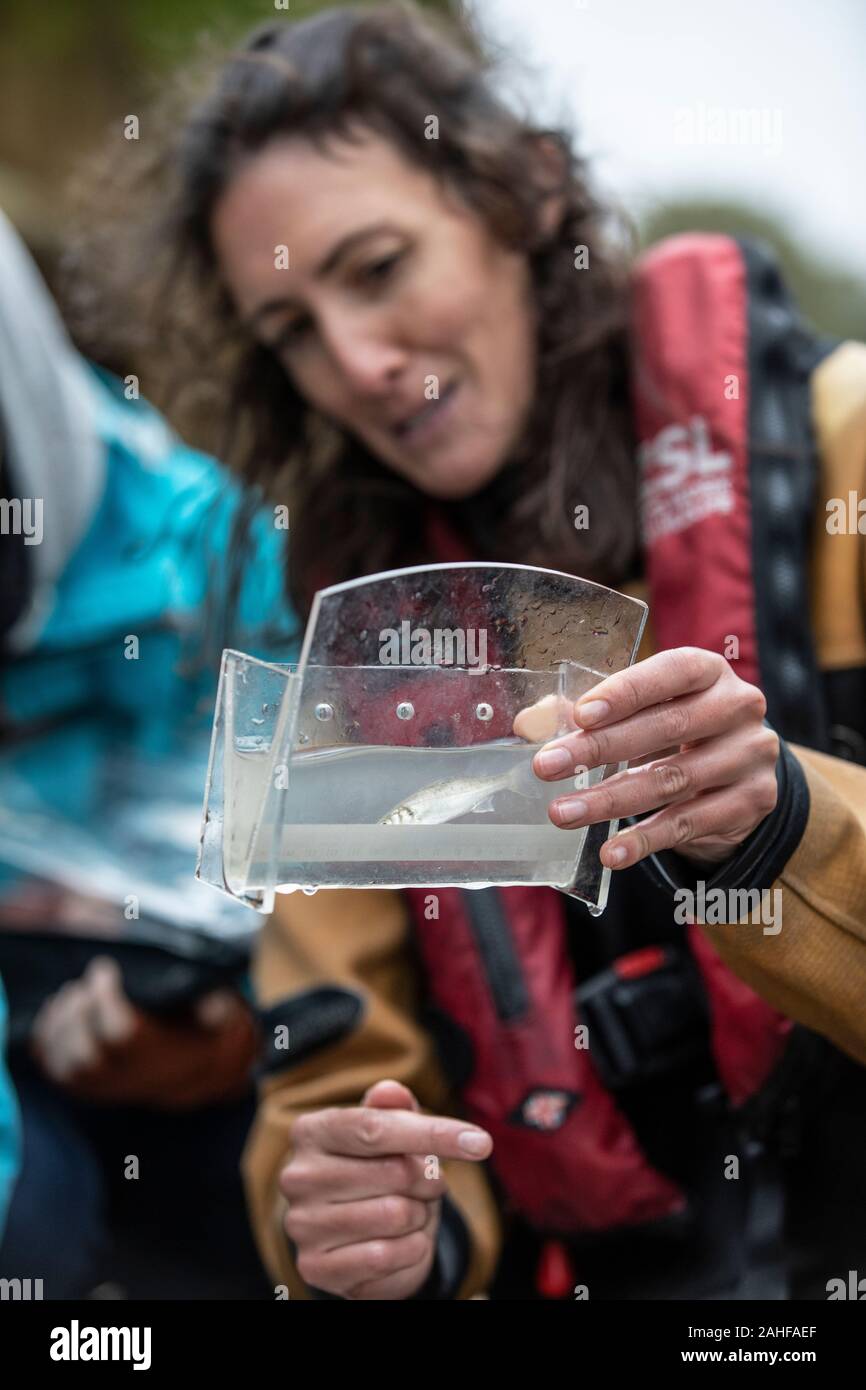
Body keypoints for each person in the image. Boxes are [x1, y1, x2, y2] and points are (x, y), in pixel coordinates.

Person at [73, 3, 866, 1300]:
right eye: (290, 330)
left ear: (525, 196)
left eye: (377, 267)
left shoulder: (839, 446)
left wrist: (783, 821)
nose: (356, 362)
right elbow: (327, 1061)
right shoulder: (346, 631)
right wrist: (359, 1231)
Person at [0, 206, 299, 1297]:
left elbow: (306, 908)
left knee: (272, 1187)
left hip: (178, 1036)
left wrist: (236, 1036)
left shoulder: (207, 550)